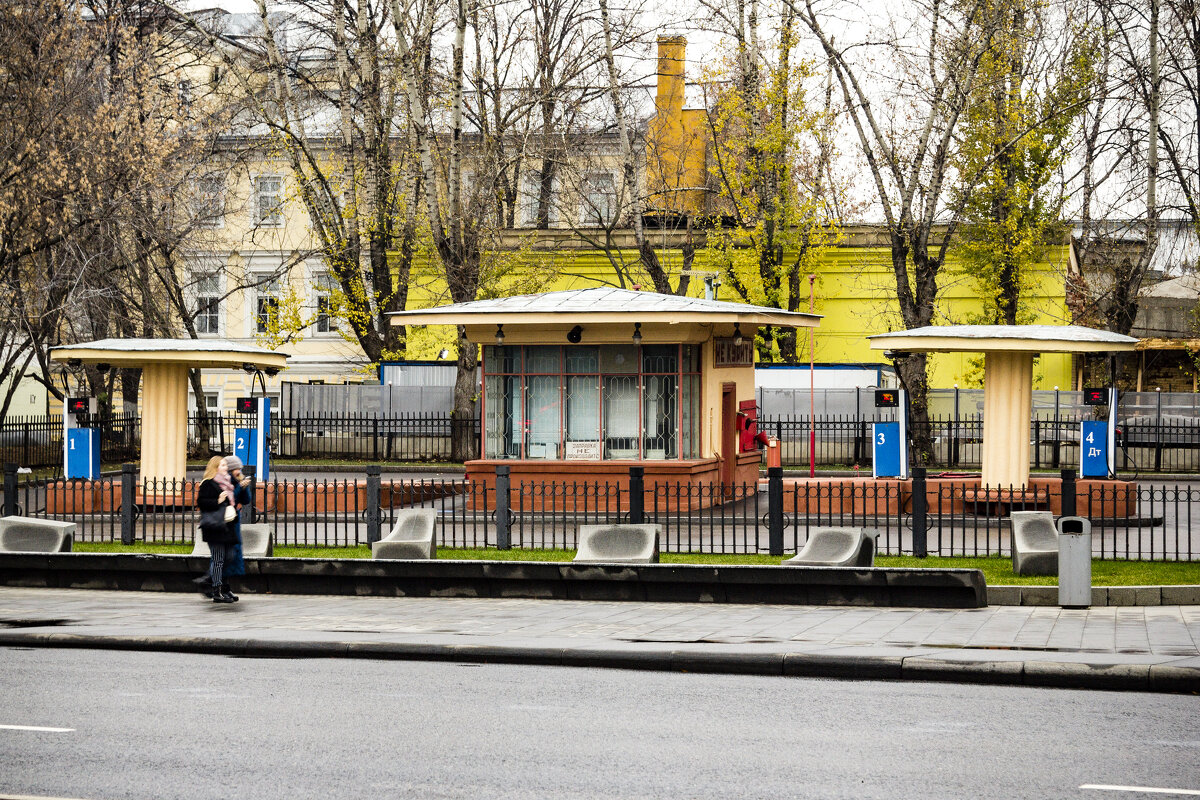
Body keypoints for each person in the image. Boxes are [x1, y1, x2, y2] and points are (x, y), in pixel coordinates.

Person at [196, 455, 238, 604]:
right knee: (219, 559)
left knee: (230, 557)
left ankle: (224, 588)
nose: (226, 468)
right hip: (214, 527)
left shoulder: (226, 483)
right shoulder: (208, 483)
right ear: (215, 468)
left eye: (226, 465)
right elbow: (201, 503)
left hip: (226, 527)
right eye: (222, 465)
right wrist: (217, 501)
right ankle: (217, 590)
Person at [220, 455, 253, 590]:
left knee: (233, 553)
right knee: (225, 554)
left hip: (234, 520)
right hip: (224, 520)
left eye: (240, 468)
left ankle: (225, 586)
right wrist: (240, 486)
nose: (239, 471)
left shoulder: (238, 480)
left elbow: (246, 500)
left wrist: (244, 488)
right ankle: (214, 583)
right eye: (236, 468)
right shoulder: (224, 481)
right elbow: (229, 497)